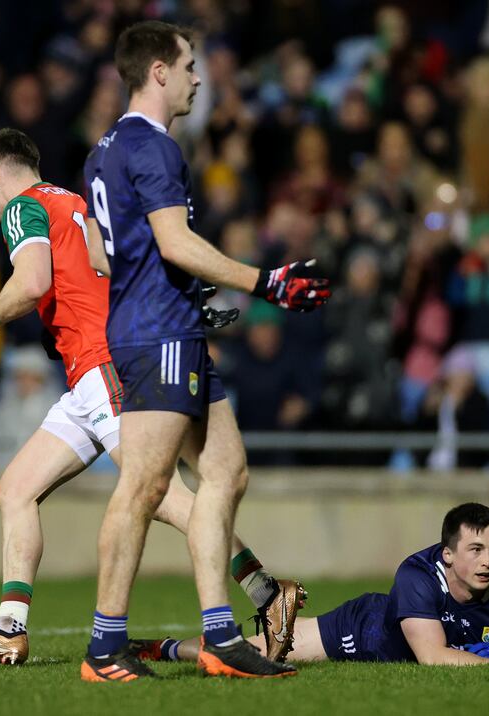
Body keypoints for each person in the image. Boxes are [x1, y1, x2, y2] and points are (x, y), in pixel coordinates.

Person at [0, 128, 304, 667]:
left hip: (102, 370)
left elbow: (32, 280)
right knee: (14, 490)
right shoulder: (76, 203)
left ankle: (268, 594)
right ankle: (8, 629)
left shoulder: (22, 207)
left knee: (160, 494)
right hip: (90, 373)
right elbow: (109, 271)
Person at [80, 21, 329, 682]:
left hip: (166, 324)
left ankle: (221, 634)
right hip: (156, 333)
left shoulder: (104, 148)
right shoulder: (155, 148)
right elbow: (174, 242)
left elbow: (105, 253)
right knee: (143, 487)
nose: (200, 77)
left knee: (228, 471)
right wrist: (266, 281)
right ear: (158, 71)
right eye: (190, 65)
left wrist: (187, 296)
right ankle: (104, 647)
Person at [130, 503, 489, 667]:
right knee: (257, 650)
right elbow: (431, 657)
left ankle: (267, 600)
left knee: (257, 647)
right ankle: (172, 645)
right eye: (476, 549)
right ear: (448, 554)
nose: (488, 560)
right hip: (363, 629)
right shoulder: (418, 576)